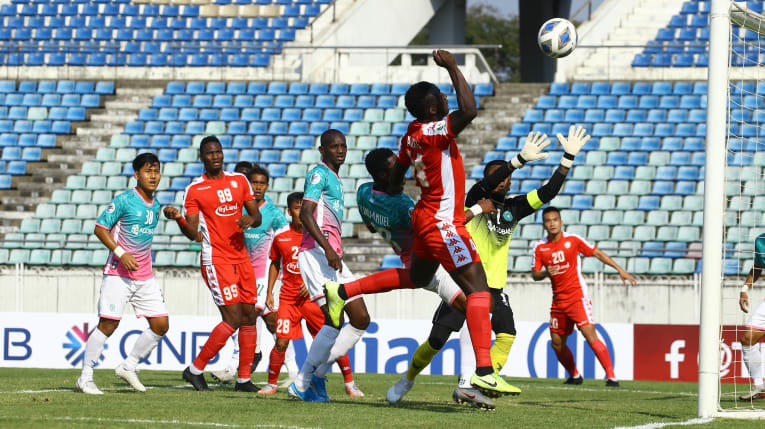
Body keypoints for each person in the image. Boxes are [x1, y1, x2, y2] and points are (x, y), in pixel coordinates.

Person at [387, 128, 582, 408]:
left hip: (493, 288)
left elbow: (548, 192)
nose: (503, 180)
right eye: (498, 176)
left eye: (507, 177)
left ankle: (481, 378)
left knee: (508, 333)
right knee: (437, 340)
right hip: (464, 282)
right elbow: (484, 186)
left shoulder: (515, 208)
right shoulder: (473, 199)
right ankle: (407, 379)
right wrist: (517, 161)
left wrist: (568, 158)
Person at [384, 49, 518, 396]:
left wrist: (397, 189)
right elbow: (470, 110)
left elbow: (397, 175)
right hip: (443, 224)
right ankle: (483, 372)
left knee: (417, 278)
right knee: (478, 291)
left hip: (425, 222)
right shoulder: (432, 131)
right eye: (442, 97)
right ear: (432, 109)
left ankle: (346, 291)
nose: (448, 98)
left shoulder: (411, 135)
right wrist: (454, 67)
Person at [163, 135, 262, 392]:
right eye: (209, 153)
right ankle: (195, 369)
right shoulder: (195, 189)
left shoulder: (239, 180)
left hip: (242, 257)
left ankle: (243, 380)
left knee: (249, 315)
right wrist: (179, 219)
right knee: (233, 317)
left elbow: (257, 214)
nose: (215, 156)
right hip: (216, 259)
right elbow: (193, 232)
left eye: (218, 152)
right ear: (201, 157)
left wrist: (251, 220)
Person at [324, 148, 471, 321]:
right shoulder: (401, 204)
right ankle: (343, 291)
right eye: (398, 169)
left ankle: (345, 291)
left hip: (410, 260)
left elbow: (371, 227)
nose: (404, 173)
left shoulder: (363, 191)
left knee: (473, 308)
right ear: (383, 175)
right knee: (474, 309)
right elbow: (436, 231)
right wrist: (477, 210)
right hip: (429, 265)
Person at [287, 129, 370, 402]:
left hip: (332, 257)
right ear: (322, 150)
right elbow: (307, 214)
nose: (340, 150)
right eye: (334, 146)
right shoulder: (318, 174)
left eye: (343, 146)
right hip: (315, 255)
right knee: (334, 321)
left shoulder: (335, 178)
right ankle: (304, 382)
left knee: (360, 318)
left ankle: (314, 376)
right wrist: (326, 248)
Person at [76, 153, 168, 395]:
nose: (153, 176)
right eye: (148, 171)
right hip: (119, 274)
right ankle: (85, 376)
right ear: (136, 175)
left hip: (145, 276)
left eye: (156, 171)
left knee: (161, 325)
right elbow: (100, 228)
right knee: (108, 324)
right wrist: (120, 252)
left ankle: (129, 365)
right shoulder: (125, 200)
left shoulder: (156, 205)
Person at [258, 192, 360, 395]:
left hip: (314, 298)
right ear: (289, 212)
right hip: (288, 299)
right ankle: (271, 384)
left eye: (305, 209)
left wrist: (311, 282)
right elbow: (275, 264)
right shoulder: (280, 236)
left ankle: (349, 383)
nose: (301, 213)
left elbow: (327, 264)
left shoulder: (318, 237)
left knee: (332, 339)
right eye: (297, 209)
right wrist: (269, 293)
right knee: (281, 340)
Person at [211, 165, 298, 386]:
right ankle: (285, 367)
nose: (258, 187)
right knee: (263, 321)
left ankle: (236, 368)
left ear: (267, 186)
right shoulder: (236, 208)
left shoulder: (274, 214)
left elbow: (286, 242)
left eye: (262, 183)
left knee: (257, 319)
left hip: (264, 276)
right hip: (239, 274)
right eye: (254, 183)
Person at [531, 206, 636, 387]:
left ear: (561, 222)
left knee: (589, 334)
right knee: (556, 344)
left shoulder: (573, 240)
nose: (552, 223)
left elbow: (596, 253)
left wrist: (620, 270)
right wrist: (547, 273)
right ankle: (575, 375)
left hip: (577, 297)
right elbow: (535, 274)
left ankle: (612, 377)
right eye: (548, 220)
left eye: (555, 219)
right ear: (544, 224)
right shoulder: (540, 247)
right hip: (558, 301)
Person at [738, 233, 765, 400]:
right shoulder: (761, 241)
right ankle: (759, 386)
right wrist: (744, 290)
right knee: (747, 338)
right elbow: (757, 266)